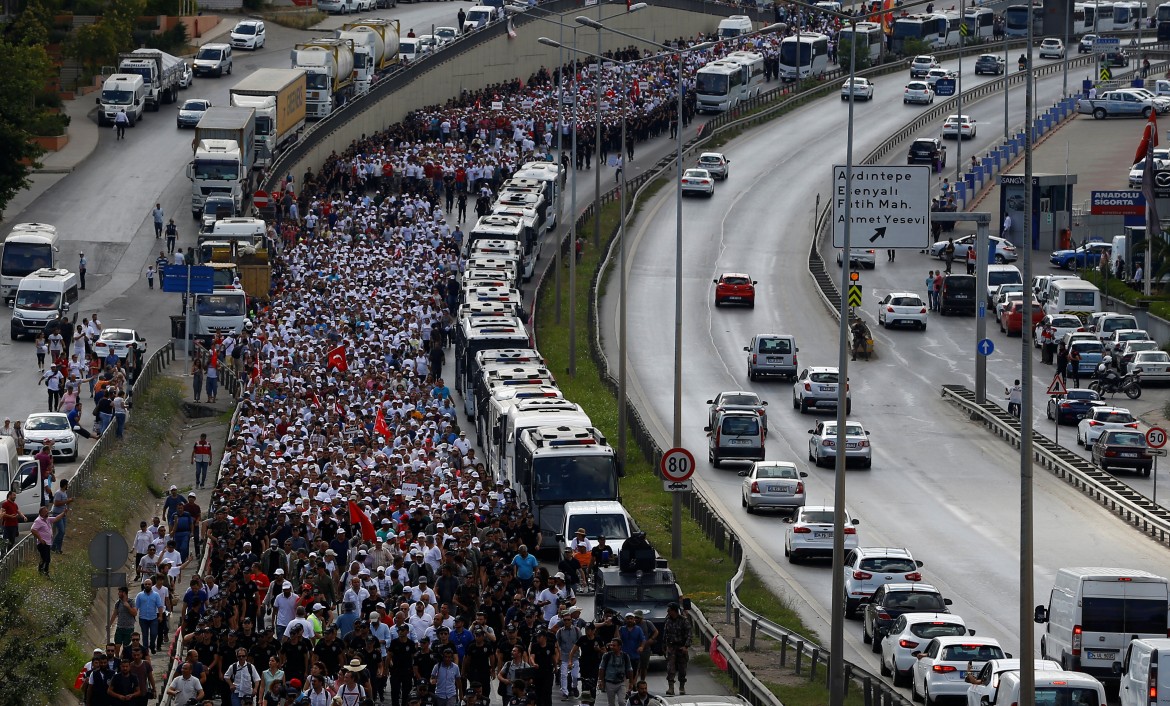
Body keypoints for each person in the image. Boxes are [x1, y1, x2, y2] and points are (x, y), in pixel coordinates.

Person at [661, 603, 691, 695]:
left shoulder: (684, 621)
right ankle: (671, 688)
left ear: (674, 611)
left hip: (681, 647)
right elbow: (665, 633)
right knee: (670, 668)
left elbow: (689, 634)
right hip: (671, 647)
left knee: (682, 669)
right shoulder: (668, 621)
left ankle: (682, 687)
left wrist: (686, 646)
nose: (668, 611)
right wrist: (664, 645)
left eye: (669, 610)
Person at [32, 504, 66, 575]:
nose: (47, 513)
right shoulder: (38, 521)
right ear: (41, 513)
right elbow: (33, 530)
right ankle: (44, 572)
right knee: (46, 559)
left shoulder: (47, 519)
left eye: (47, 511)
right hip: (42, 543)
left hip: (47, 543)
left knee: (46, 559)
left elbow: (56, 518)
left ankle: (42, 571)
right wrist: (40, 539)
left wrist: (64, 513)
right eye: (46, 512)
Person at [597, 639, 632, 706]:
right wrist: (600, 681)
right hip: (609, 683)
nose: (612, 647)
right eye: (611, 645)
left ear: (619, 646)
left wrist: (631, 682)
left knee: (622, 702)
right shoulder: (606, 656)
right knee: (611, 703)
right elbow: (601, 668)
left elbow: (629, 669)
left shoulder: (625, 656)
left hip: (621, 683)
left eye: (614, 645)